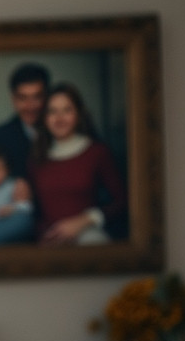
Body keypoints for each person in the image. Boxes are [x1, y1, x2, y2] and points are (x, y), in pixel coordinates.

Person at [30, 82, 127, 246]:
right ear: (44, 118)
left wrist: (84, 221)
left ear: (78, 114)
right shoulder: (36, 158)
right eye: (52, 111)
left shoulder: (97, 152)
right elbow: (35, 211)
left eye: (67, 110)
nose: (59, 118)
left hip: (88, 236)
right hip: (49, 241)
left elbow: (122, 201)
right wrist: (46, 235)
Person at [0, 62, 50, 181]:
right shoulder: (2, 135)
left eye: (37, 97)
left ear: (46, 97)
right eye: (23, 98)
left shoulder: (59, 129)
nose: (30, 106)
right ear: (13, 99)